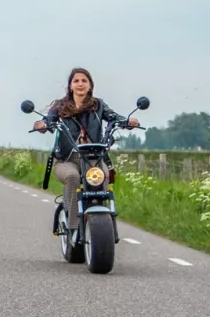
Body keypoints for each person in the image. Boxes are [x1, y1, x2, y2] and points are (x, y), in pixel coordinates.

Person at [31, 68, 141, 230]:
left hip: (93, 159)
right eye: (76, 81)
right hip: (67, 159)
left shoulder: (98, 105)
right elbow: (48, 120)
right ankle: (73, 225)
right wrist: (42, 125)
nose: (80, 84)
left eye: (84, 81)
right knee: (72, 177)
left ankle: (102, 221)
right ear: (70, 86)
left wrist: (128, 122)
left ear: (90, 86)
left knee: (101, 177)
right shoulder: (60, 105)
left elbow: (114, 117)